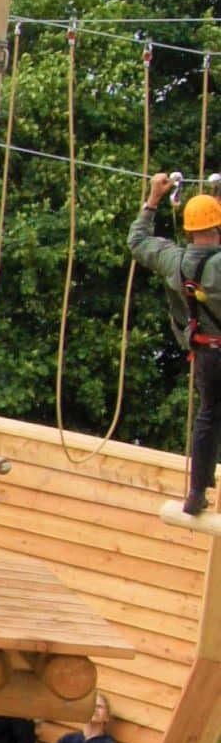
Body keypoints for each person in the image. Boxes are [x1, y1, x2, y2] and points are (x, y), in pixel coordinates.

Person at [132, 174, 221, 516]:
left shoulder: (175, 261)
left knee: (209, 416)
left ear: (188, 231)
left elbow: (138, 241)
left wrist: (154, 198)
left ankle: (197, 493)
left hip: (205, 355)